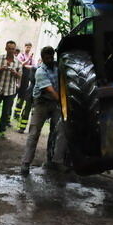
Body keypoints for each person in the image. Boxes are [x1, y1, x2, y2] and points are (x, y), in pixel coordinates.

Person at [20, 46, 66, 176]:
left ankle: (55, 161)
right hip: (42, 103)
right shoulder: (40, 71)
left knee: (59, 131)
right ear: (42, 58)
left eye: (51, 57)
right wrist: (63, 104)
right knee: (34, 133)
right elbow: (50, 90)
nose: (49, 59)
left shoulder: (58, 68)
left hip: (55, 103)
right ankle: (25, 164)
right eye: (46, 57)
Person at [0, 40, 23, 136]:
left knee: (5, 112)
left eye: (13, 49)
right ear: (6, 48)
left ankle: (1, 130)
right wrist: (1, 69)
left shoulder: (18, 62)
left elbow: (20, 76)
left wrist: (15, 73)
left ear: (15, 50)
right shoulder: (0, 58)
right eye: (9, 48)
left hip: (10, 90)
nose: (11, 50)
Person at [13, 42, 36, 132]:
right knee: (14, 95)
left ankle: (17, 113)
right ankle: (13, 114)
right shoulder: (21, 55)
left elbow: (33, 66)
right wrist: (27, 61)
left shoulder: (32, 58)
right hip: (19, 77)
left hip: (26, 80)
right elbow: (20, 64)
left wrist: (26, 64)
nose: (28, 48)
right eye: (27, 47)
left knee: (22, 97)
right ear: (24, 47)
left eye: (30, 47)